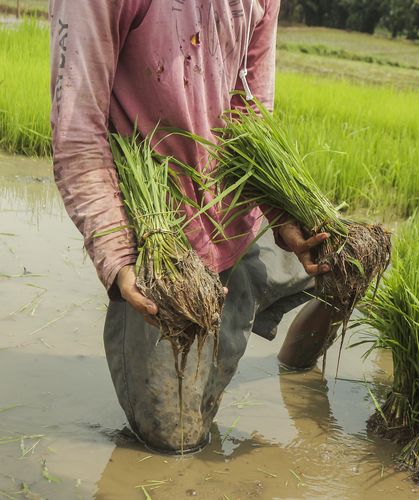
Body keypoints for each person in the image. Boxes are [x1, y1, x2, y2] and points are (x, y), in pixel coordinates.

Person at [50, 0, 340, 453]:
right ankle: (232, 298)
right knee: (177, 443)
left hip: (232, 226)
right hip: (161, 253)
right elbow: (77, 136)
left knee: (346, 262)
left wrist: (282, 215)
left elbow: (250, 111)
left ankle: (250, 285)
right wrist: (121, 262)